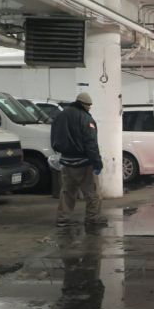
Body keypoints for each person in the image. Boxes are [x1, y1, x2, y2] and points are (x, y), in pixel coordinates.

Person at [51, 92, 106, 226]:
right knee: (92, 193)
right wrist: (97, 163)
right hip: (84, 163)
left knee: (67, 192)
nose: (89, 108)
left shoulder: (61, 115)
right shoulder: (86, 118)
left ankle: (62, 219)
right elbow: (91, 143)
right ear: (83, 104)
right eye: (88, 105)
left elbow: (54, 137)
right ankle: (92, 219)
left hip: (66, 161)